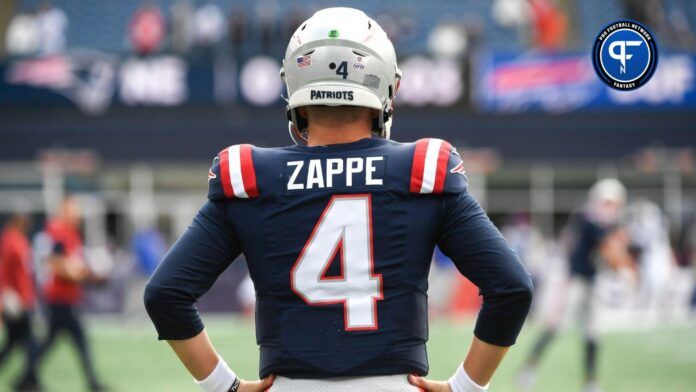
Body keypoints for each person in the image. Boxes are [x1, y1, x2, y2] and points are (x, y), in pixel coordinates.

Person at [144, 7, 533, 392]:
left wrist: (222, 387)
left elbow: (166, 295)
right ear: (384, 86)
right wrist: (465, 387)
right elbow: (512, 288)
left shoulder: (249, 176)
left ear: (294, 85)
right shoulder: (423, 169)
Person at [518, 178, 635, 392]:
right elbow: (610, 249)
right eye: (608, 203)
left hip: (594, 281)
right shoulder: (587, 219)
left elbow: (612, 248)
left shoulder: (605, 224)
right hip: (574, 281)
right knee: (557, 326)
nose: (612, 208)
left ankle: (590, 380)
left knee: (593, 332)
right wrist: (626, 270)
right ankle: (529, 367)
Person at [36, 197, 104, 391]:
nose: (78, 214)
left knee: (51, 342)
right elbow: (54, 262)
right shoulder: (57, 231)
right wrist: (79, 275)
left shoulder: (72, 233)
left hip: (68, 297)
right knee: (77, 341)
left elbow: (74, 263)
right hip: (60, 298)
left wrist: (89, 274)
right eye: (74, 210)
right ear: (64, 211)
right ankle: (93, 382)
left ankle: (27, 376)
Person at [0, 210, 41, 391]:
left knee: (13, 344)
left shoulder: (19, 240)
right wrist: (8, 296)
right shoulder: (11, 241)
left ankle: (29, 379)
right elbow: (6, 272)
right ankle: (29, 380)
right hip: (16, 300)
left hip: (24, 297)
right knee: (30, 343)